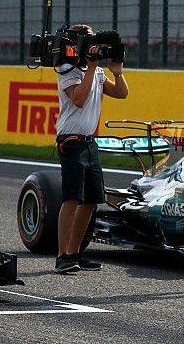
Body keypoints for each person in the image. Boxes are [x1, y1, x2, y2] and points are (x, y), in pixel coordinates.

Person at [54, 24, 129, 273]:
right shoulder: (67, 71)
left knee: (91, 201)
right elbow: (78, 99)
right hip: (71, 141)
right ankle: (62, 255)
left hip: (89, 142)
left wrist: (117, 73)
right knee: (72, 197)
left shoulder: (93, 72)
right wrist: (93, 67)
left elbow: (121, 94)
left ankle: (75, 252)